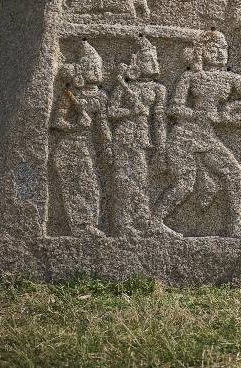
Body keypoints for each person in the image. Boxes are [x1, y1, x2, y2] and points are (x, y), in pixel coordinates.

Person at [154, 29, 241, 237]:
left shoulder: (232, 78)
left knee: (235, 174)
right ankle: (155, 221)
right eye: (214, 48)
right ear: (202, 52)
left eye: (223, 48)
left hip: (207, 136)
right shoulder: (191, 76)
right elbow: (174, 109)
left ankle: (235, 226)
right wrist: (200, 114)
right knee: (185, 184)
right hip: (185, 136)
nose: (220, 52)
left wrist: (230, 109)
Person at [49, 40, 112, 237]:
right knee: (77, 184)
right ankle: (81, 226)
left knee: (93, 184)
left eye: (97, 67)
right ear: (81, 70)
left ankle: (91, 223)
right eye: (91, 67)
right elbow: (57, 121)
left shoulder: (100, 97)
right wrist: (75, 125)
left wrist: (108, 145)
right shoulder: (70, 95)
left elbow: (102, 124)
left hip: (87, 146)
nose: (95, 70)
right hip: (69, 146)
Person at [107, 35, 167, 236]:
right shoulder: (124, 86)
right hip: (124, 135)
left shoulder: (159, 89)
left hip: (143, 137)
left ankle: (141, 219)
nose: (154, 64)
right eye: (148, 60)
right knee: (124, 178)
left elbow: (159, 120)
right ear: (137, 63)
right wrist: (132, 112)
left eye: (154, 60)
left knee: (141, 179)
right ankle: (123, 224)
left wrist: (161, 146)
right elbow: (111, 111)